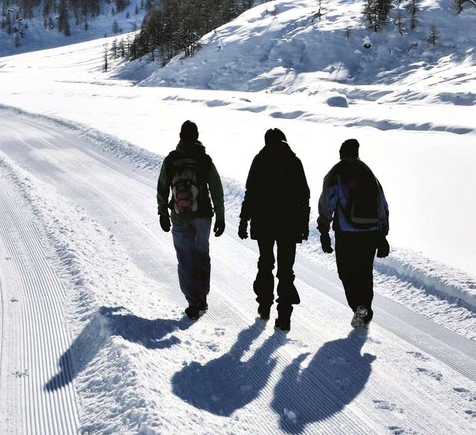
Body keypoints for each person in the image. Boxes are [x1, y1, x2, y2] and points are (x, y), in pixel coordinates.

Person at [237, 127, 310, 330]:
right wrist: (303, 224)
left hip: (264, 223)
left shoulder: (260, 160)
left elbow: (250, 192)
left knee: (266, 263)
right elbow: (304, 196)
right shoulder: (294, 161)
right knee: (286, 270)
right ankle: (284, 316)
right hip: (289, 225)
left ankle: (264, 305)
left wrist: (244, 220)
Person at [317, 137, 390, 328]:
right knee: (365, 273)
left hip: (347, 234)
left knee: (346, 272)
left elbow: (327, 203)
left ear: (341, 153)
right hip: (371, 233)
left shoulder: (336, 174)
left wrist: (324, 230)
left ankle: (358, 306)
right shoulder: (368, 173)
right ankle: (365, 306)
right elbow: (382, 204)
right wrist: (383, 235)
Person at [156, 120, 225, 319]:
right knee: (202, 256)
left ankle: (192, 301)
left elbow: (162, 187)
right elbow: (216, 189)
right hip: (203, 216)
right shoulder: (204, 159)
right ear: (196, 136)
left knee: (185, 259)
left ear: (180, 136)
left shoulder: (171, 159)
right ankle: (201, 299)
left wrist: (162, 212)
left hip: (179, 215)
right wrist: (220, 216)